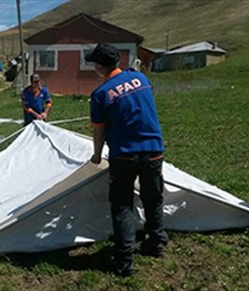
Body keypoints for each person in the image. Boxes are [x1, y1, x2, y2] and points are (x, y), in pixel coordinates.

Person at [86, 42, 168, 277]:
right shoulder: (140, 78)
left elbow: (99, 131)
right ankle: (157, 241)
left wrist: (96, 154)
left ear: (100, 67)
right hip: (153, 149)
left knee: (122, 205)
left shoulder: (100, 94)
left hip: (124, 155)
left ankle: (124, 261)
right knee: (153, 197)